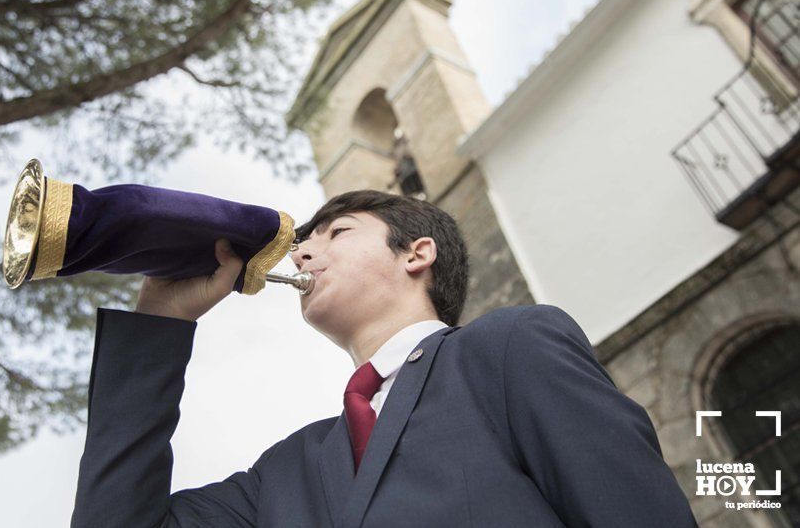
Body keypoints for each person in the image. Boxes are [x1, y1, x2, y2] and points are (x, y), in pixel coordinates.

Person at [71, 190, 698, 527]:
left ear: (416, 254)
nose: (301, 256)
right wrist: (160, 322)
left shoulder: (508, 348)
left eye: (336, 234)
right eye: (303, 246)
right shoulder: (285, 471)